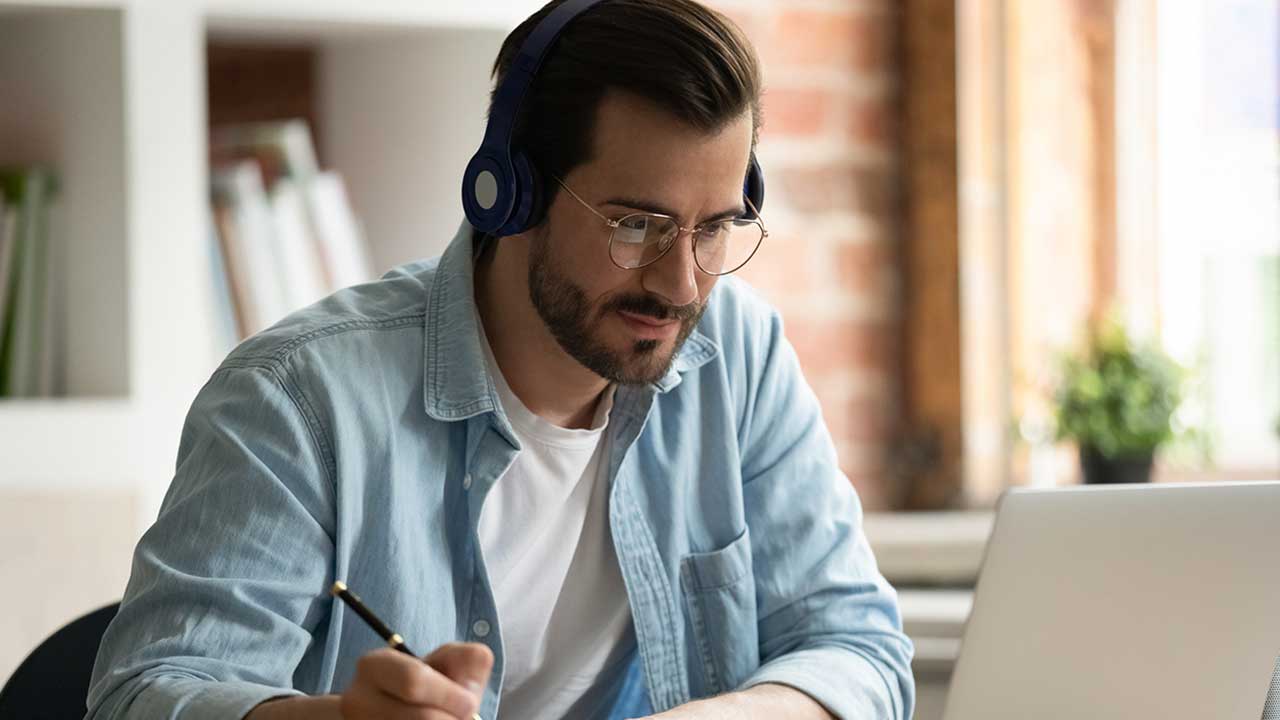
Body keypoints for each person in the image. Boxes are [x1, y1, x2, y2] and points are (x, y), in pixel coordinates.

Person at [86, 1, 915, 718]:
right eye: (636, 224)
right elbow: (143, 694)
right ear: (507, 190)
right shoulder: (300, 400)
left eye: (715, 227)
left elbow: (858, 649)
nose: (681, 282)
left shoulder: (740, 357)